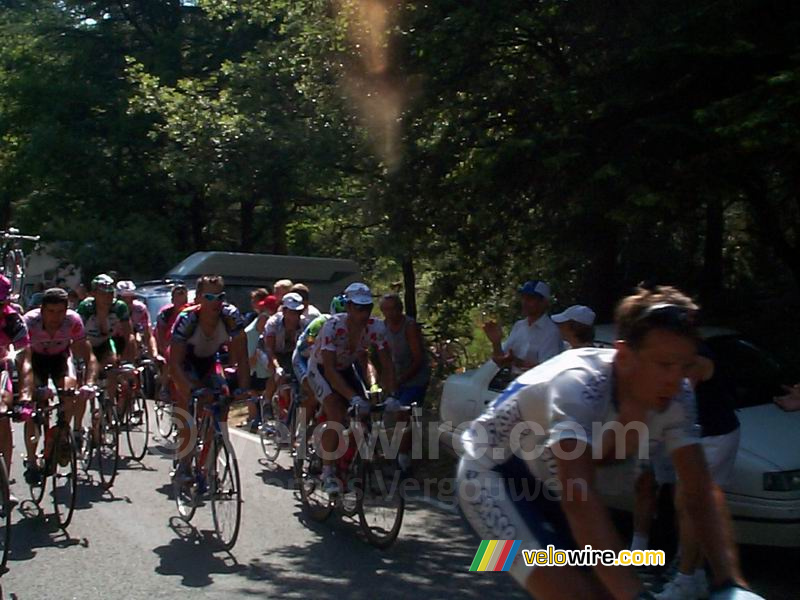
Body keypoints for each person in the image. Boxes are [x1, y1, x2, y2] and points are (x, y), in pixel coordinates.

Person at [457, 284, 757, 600]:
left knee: (605, 590)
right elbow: (579, 497)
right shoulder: (578, 385)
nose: (676, 379)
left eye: (684, 366)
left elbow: (699, 491)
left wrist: (731, 582)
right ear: (625, 356)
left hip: (549, 484)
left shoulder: (678, 394)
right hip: (490, 474)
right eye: (664, 365)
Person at [306, 282, 399, 494]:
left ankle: (354, 464)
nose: (363, 313)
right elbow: (329, 370)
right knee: (337, 413)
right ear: (348, 307)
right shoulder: (333, 326)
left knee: (365, 413)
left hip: (346, 367)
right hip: (320, 368)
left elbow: (387, 363)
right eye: (358, 308)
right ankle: (327, 472)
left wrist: (392, 394)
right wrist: (352, 397)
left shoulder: (376, 327)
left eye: (367, 308)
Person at [169, 275, 249, 481]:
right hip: (186, 362)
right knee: (187, 412)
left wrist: (244, 388)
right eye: (209, 297)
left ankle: (210, 464)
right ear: (198, 298)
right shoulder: (187, 319)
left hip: (210, 361)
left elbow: (242, 358)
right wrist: (187, 388)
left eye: (220, 297)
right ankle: (184, 464)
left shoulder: (230, 316)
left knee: (221, 402)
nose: (216, 302)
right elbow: (175, 363)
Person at [20, 287, 96, 488]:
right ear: (42, 309)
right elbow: (23, 359)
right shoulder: (29, 321)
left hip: (60, 358)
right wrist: (30, 391)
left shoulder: (73, 320)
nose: (56, 317)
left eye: (60, 312)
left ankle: (62, 433)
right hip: (34, 360)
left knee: (70, 390)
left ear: (67, 309)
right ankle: (32, 461)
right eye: (51, 312)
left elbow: (88, 355)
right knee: (36, 409)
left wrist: (89, 383)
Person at [379, 293, 430, 472]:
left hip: (414, 378)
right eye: (385, 310)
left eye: (393, 309)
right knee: (386, 412)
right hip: (395, 376)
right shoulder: (382, 327)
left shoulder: (409, 327)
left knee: (403, 414)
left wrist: (402, 379)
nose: (389, 313)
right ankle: (390, 452)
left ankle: (403, 459)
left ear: (399, 309)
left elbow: (418, 359)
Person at [255, 292, 310, 430]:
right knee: (277, 373)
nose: (295, 316)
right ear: (284, 311)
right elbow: (270, 351)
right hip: (268, 350)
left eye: (298, 312)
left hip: (291, 352)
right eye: (292, 312)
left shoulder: (304, 324)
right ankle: (267, 401)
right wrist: (277, 368)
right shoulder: (273, 323)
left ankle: (291, 409)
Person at [483, 280, 562, 374]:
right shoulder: (519, 326)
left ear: (543, 302)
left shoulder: (551, 332)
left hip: (534, 386)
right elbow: (501, 360)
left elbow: (547, 370)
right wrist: (496, 342)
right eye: (523, 298)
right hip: (514, 384)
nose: (524, 302)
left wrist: (515, 361)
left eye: (530, 298)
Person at [0, 275, 29, 503]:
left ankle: (4, 485)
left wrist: (25, 396)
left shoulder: (12, 319)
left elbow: (25, 360)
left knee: (2, 415)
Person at [76, 274, 134, 364]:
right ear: (94, 294)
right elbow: (77, 334)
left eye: (110, 294)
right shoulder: (86, 307)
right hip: (86, 342)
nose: (107, 298)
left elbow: (129, 335)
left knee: (112, 364)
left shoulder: (119, 307)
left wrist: (126, 360)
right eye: (103, 294)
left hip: (104, 342)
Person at [115, 280, 158, 359]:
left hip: (133, 337)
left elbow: (148, 335)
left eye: (131, 297)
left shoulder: (140, 309)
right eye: (124, 298)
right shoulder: (112, 309)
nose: (128, 301)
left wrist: (154, 355)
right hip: (114, 338)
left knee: (137, 340)